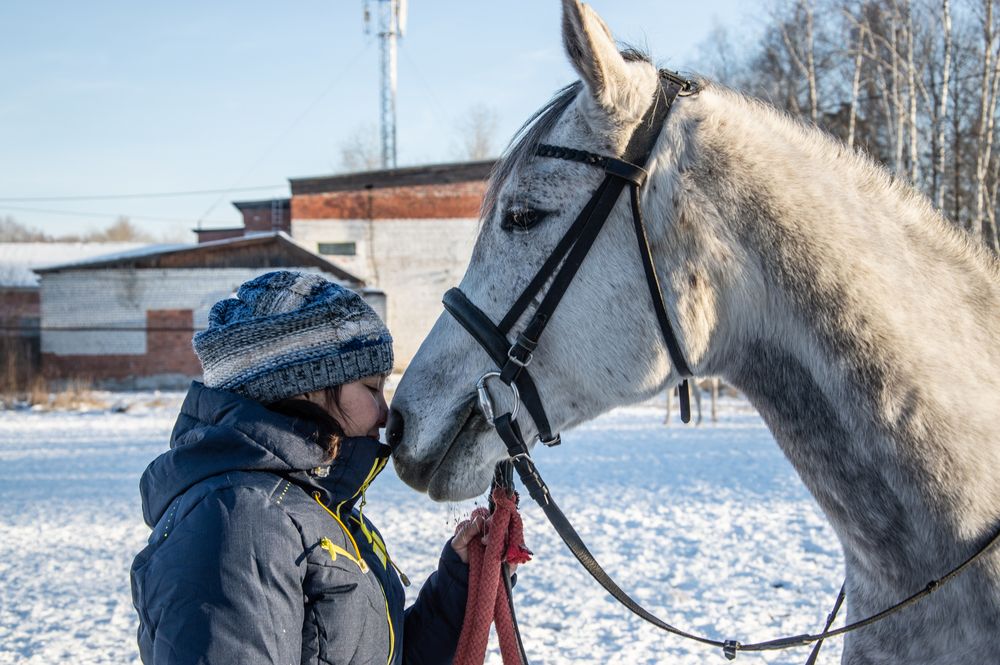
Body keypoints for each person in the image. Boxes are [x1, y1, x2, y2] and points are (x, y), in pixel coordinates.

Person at [130, 270, 483, 665]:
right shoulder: (240, 521)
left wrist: (461, 582)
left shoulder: (310, 508)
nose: (384, 413)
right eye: (370, 388)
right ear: (304, 387)